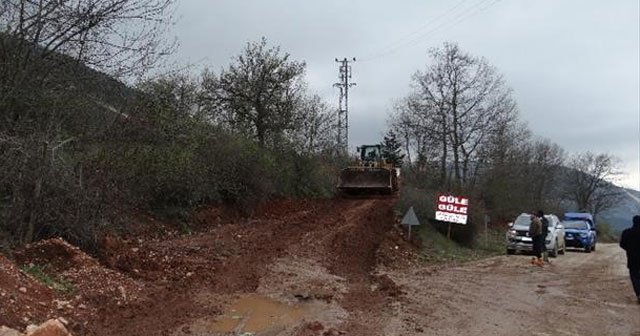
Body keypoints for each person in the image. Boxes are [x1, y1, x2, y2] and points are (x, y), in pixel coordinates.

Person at [620, 215, 640, 304]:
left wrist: (629, 249)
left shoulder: (626, 232)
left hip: (632, 258)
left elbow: (622, 244)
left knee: (634, 276)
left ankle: (639, 294)